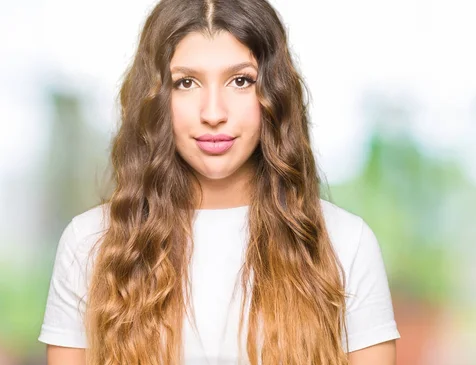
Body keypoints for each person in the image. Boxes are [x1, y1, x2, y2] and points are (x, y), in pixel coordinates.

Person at [38, 0, 400, 364]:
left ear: (274, 94)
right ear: (156, 98)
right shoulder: (88, 245)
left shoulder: (346, 244)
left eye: (241, 81)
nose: (213, 113)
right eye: (186, 83)